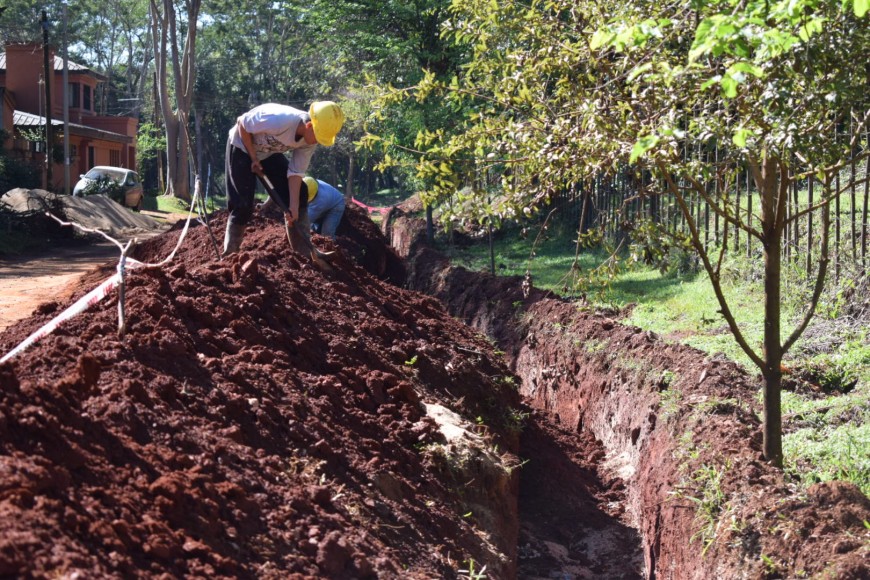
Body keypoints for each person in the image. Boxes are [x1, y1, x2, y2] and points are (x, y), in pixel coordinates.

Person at [222, 100, 344, 256]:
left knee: (300, 194)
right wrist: (253, 157)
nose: (318, 142)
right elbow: (242, 123)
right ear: (309, 125)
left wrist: (293, 206)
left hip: (268, 153)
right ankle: (230, 253)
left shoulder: (309, 141)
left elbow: (296, 172)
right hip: (241, 146)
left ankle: (305, 252)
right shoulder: (279, 120)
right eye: (318, 136)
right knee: (243, 204)